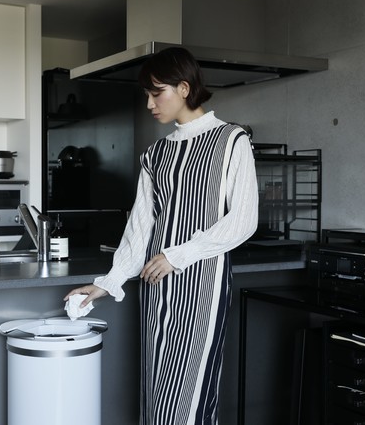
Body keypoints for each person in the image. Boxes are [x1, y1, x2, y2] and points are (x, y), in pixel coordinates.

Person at [64, 47, 258, 425]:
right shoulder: (154, 154)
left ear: (184, 88)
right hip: (154, 285)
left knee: (190, 398)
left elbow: (244, 219)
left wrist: (177, 255)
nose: (150, 104)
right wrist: (108, 282)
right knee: (157, 393)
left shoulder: (232, 140)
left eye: (157, 93)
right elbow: (140, 225)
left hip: (202, 283)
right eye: (147, 95)